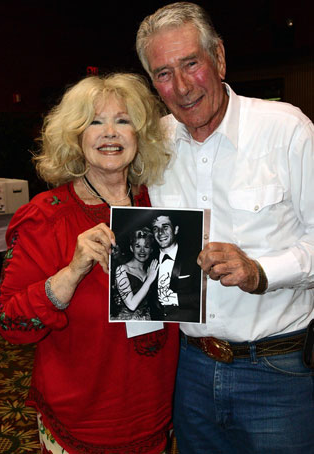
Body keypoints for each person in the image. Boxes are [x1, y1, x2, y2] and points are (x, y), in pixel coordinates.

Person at [136, 2, 314, 454]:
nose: (180, 87)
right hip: (189, 371)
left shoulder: (286, 129)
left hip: (278, 371)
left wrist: (261, 271)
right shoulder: (152, 144)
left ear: (218, 58)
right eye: (162, 73)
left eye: (190, 64)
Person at [0, 73, 179, 454]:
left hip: (156, 410)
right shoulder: (45, 217)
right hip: (81, 418)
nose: (110, 132)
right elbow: (8, 322)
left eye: (123, 120)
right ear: (75, 137)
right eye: (95, 121)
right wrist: (73, 271)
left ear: (140, 134)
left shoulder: (161, 208)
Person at [149, 212, 201, 322]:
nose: (160, 233)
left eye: (165, 227)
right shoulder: (148, 261)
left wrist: (176, 299)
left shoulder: (194, 258)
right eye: (155, 229)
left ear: (176, 230)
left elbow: (205, 297)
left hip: (188, 327)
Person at [112, 227, 158, 320]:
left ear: (151, 250)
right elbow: (132, 305)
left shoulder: (150, 271)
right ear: (131, 248)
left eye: (146, 246)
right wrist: (149, 280)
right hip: (125, 322)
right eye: (137, 246)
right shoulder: (122, 269)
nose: (142, 250)